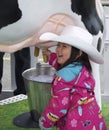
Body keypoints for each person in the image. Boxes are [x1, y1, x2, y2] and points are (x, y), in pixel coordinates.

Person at [39, 25, 107, 130]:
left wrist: (45, 123)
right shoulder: (82, 68)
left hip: (75, 124)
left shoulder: (62, 79)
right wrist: (50, 56)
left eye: (64, 46)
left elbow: (58, 106)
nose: (58, 50)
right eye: (59, 45)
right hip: (93, 118)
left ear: (78, 53)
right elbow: (62, 63)